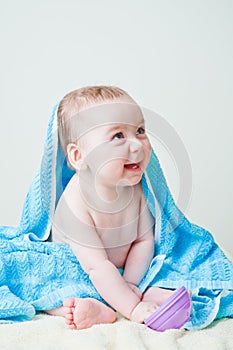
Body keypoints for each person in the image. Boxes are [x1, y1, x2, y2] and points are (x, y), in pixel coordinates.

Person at [47, 86, 177, 330]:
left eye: (140, 131)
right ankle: (95, 308)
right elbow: (96, 266)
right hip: (84, 270)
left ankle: (137, 295)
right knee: (51, 286)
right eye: (118, 136)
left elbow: (143, 241)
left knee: (168, 263)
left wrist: (130, 283)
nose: (137, 145)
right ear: (78, 156)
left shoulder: (135, 189)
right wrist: (132, 307)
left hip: (126, 270)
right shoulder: (75, 203)